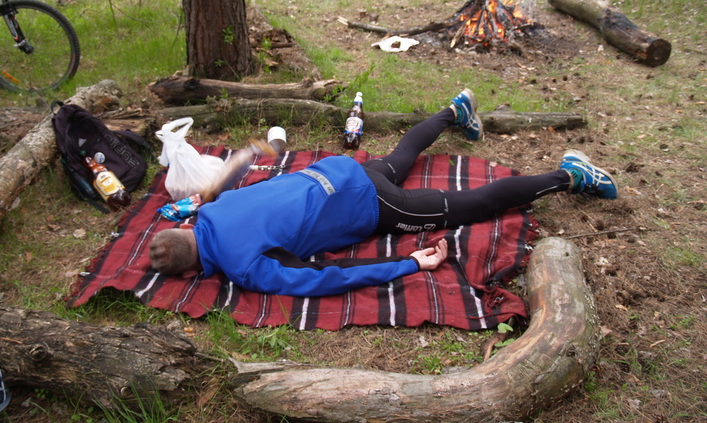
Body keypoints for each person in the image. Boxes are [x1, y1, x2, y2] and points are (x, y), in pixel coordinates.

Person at [149, 89, 618, 297]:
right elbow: (250, 185)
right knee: (399, 158)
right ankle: (454, 112)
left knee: (471, 205)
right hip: (337, 170)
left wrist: (409, 263)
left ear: (192, 273)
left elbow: (326, 276)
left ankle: (569, 175)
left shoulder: (244, 266)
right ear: (186, 227)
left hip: (368, 203)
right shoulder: (216, 207)